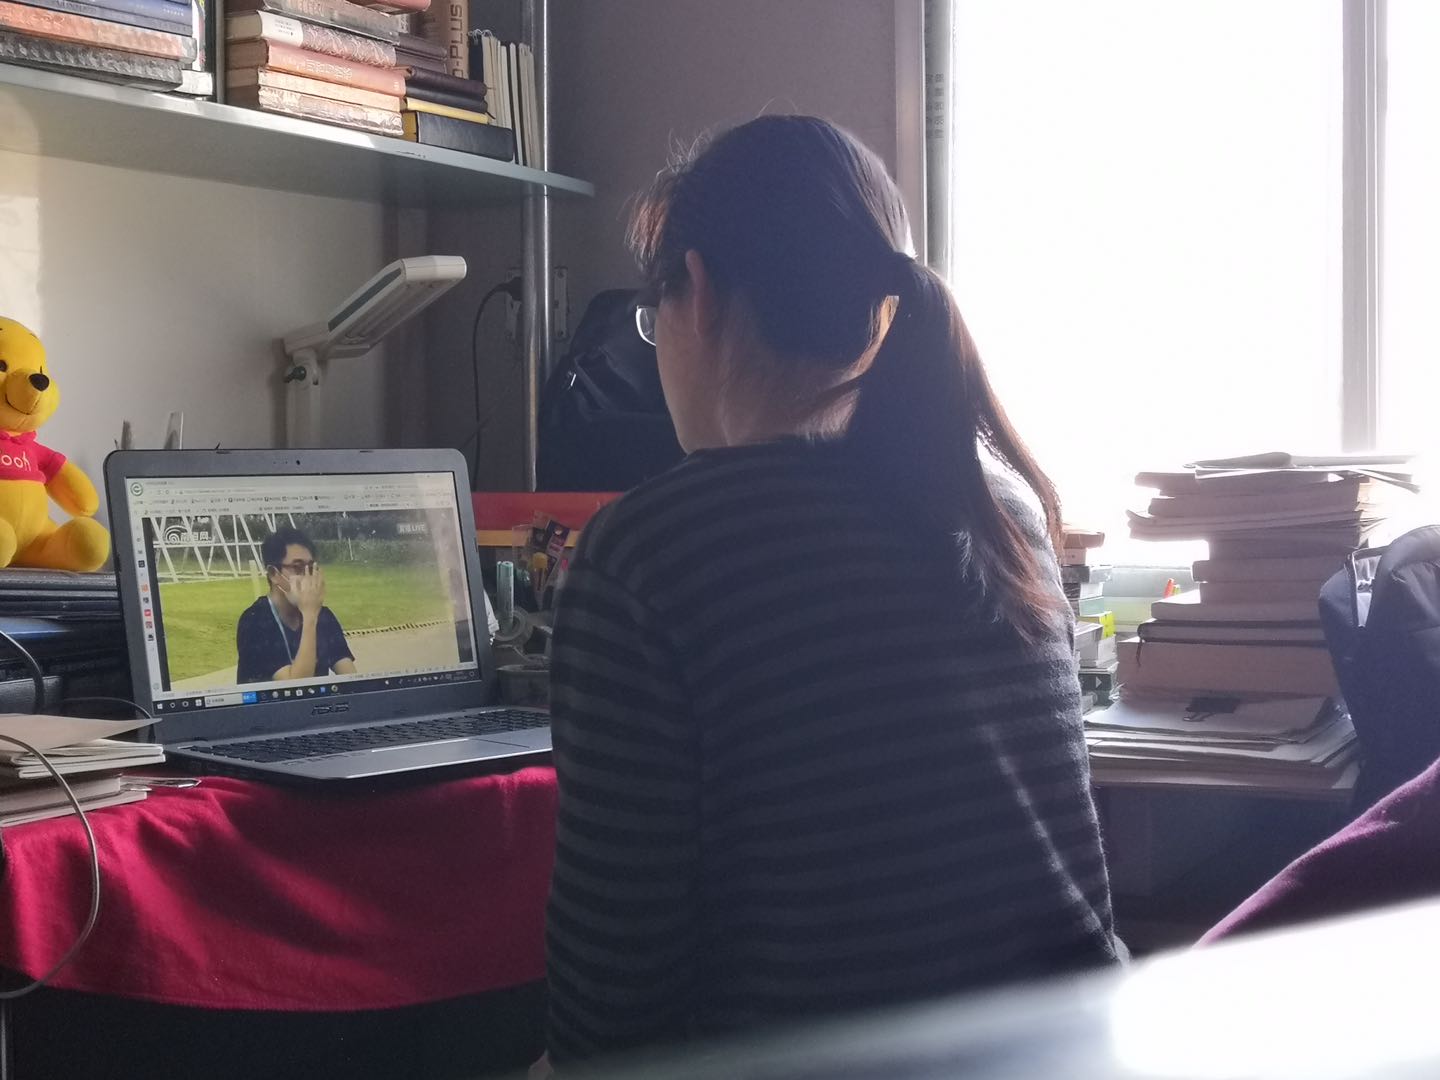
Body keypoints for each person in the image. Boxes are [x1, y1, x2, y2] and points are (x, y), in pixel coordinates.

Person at [543, 115, 1122, 1068]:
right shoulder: (999, 508)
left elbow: (610, 1010)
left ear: (697, 292)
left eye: (654, 313)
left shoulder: (647, 555)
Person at [235, 526, 357, 683]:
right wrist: (310, 617)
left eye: (310, 568)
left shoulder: (323, 616)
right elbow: (296, 688)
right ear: (274, 574)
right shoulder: (255, 621)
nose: (307, 576)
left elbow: (351, 677)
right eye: (297, 567)